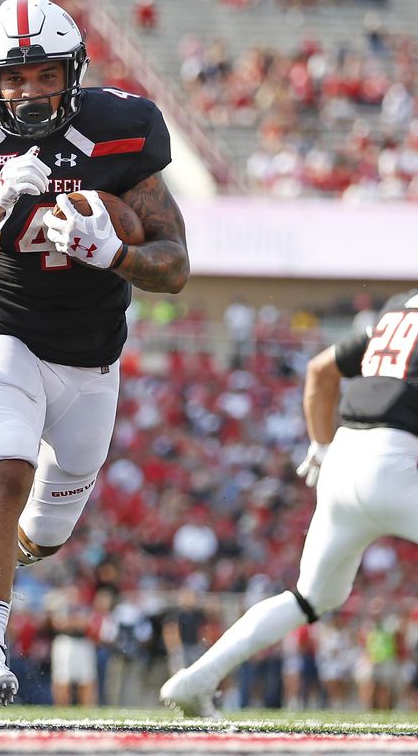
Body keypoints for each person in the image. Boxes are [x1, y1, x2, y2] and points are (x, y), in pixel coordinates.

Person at [0, 0, 189, 719]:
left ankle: (12, 557)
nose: (29, 90)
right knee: (5, 468)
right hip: (5, 332)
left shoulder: (124, 127)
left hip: (93, 358)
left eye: (44, 74)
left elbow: (175, 263)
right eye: (13, 78)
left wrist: (118, 253)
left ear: (72, 73)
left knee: (46, 531)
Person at [160, 288, 418, 717]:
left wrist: (320, 448)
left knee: (309, 598)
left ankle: (198, 678)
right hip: (395, 458)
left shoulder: (397, 309)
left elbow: (320, 371)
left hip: (342, 460)